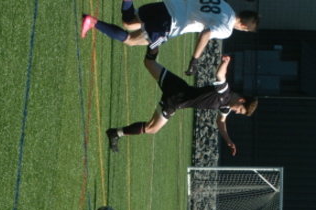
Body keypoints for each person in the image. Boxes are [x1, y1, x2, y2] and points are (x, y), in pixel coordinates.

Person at [105, 51, 257, 155]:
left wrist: (228, 140)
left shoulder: (226, 107)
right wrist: (225, 62)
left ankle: (153, 39)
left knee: (149, 62)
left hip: (178, 85)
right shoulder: (224, 92)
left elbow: (221, 122)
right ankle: (115, 133)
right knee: (152, 128)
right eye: (240, 110)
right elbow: (220, 75)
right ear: (241, 100)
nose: (237, 112)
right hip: (175, 100)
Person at [81, 0, 259, 75]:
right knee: (132, 40)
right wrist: (194, 60)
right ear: (244, 26)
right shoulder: (227, 29)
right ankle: (92, 22)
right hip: (171, 24)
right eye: (245, 30)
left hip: (169, 5)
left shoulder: (225, 5)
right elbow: (206, 34)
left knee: (129, 22)